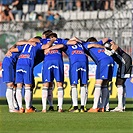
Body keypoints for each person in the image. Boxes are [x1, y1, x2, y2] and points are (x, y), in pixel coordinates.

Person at [83, 37, 115, 112]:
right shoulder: (100, 42)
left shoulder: (87, 44)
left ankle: (94, 107)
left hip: (103, 61)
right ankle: (102, 107)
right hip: (111, 60)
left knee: (98, 84)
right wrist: (111, 42)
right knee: (105, 85)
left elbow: (91, 45)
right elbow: (107, 38)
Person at [104, 40, 132, 112]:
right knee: (120, 84)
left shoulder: (110, 46)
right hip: (122, 63)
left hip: (124, 62)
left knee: (119, 83)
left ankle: (120, 106)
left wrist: (112, 51)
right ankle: (122, 105)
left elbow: (115, 46)